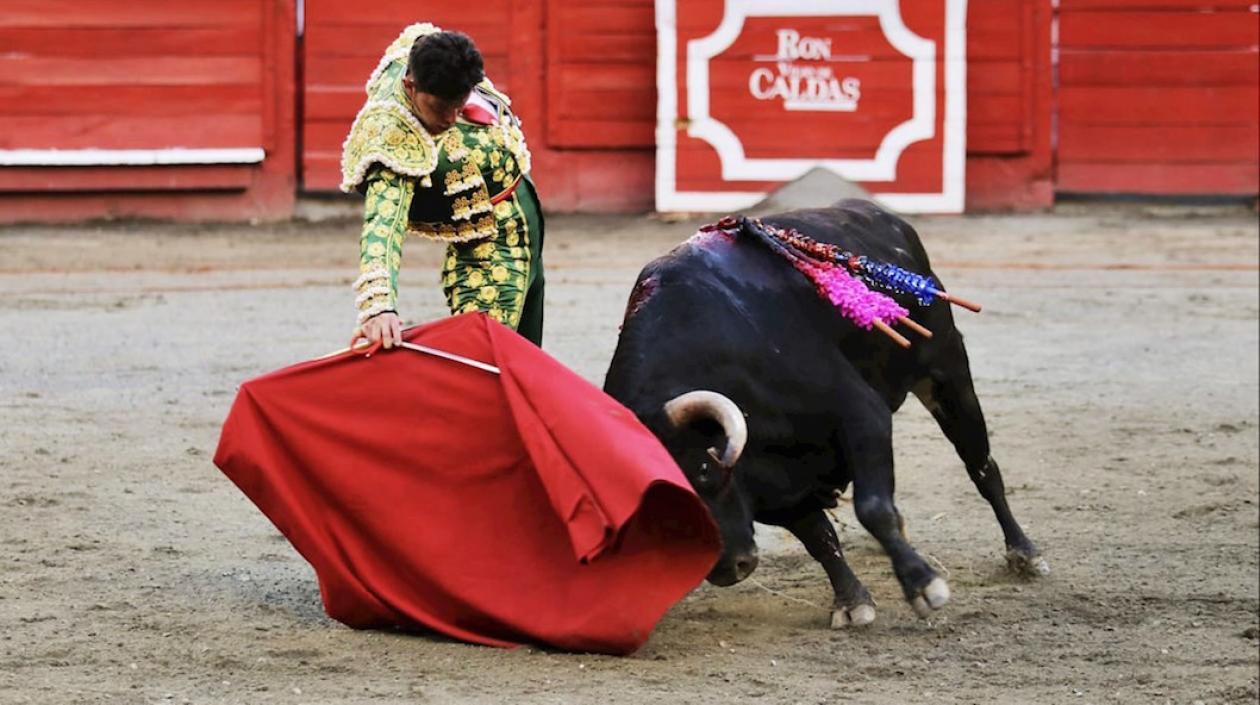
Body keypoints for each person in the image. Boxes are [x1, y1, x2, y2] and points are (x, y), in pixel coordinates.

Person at [341, 24, 545, 349]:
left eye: (459, 103)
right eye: (440, 107)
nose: (451, 117)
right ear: (410, 86)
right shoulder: (392, 135)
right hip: (488, 247)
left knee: (528, 356)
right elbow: (383, 225)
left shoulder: (426, 53)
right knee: (488, 362)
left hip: (525, 218)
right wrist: (378, 307)